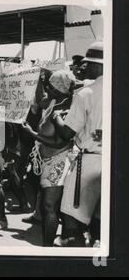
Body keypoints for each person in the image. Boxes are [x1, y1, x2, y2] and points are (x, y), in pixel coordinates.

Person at [52, 41, 103, 247]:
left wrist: (56, 116)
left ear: (100, 65)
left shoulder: (86, 93)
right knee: (101, 221)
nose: (84, 67)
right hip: (112, 162)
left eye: (89, 63)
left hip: (90, 162)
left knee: (72, 224)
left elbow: (66, 133)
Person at [22, 69, 76, 247]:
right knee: (49, 206)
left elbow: (59, 143)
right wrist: (38, 79)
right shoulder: (53, 101)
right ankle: (52, 242)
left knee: (49, 206)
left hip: (58, 159)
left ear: (61, 89)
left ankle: (47, 246)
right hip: (48, 160)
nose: (48, 90)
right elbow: (41, 99)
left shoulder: (65, 108)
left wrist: (32, 133)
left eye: (51, 87)